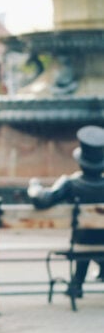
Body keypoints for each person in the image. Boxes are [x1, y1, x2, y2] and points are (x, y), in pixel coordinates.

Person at [27, 124, 104, 297]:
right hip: (102, 241)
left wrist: (34, 187)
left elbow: (43, 201)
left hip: (81, 241)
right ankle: (86, 279)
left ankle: (76, 285)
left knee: (85, 239)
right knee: (97, 238)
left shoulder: (71, 184)